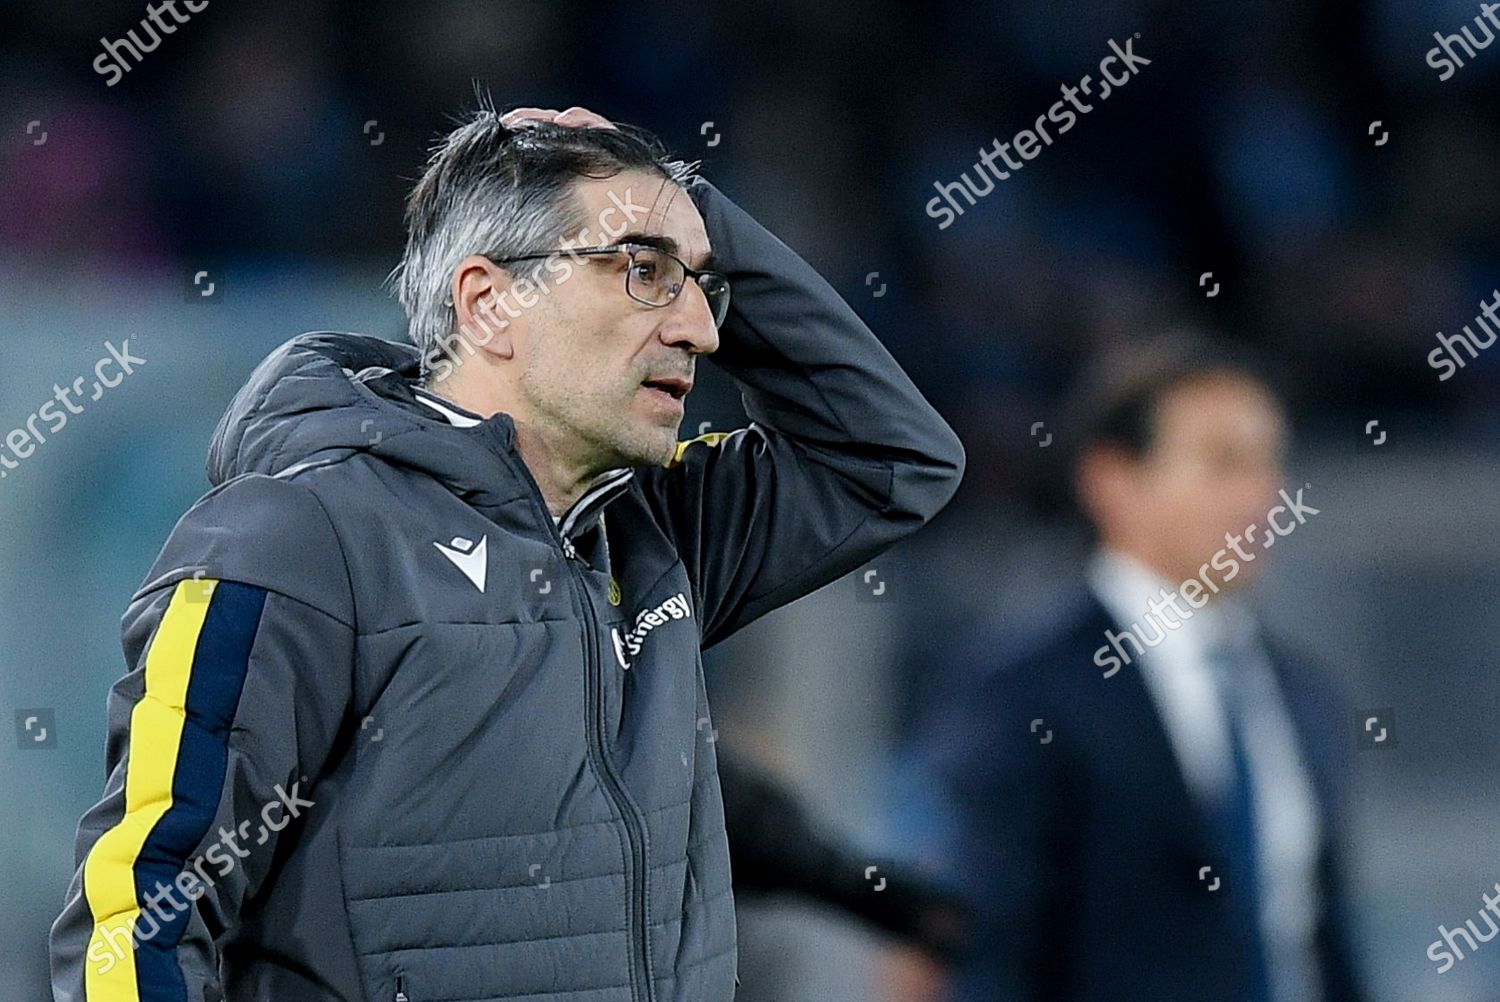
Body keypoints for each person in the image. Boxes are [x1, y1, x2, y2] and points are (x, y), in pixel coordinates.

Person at [50, 104, 965, 1002]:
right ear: (490, 304)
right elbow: (139, 912)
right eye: (644, 272)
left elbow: (892, 459)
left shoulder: (655, 531)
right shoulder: (294, 534)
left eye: (701, 284)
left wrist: (685, 209)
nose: (702, 329)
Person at [917, 337, 1365, 1001]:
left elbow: (1324, 947)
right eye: (1222, 463)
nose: (1261, 494)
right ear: (1113, 481)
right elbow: (992, 955)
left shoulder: (1302, 691)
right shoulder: (1024, 694)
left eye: (1270, 461)